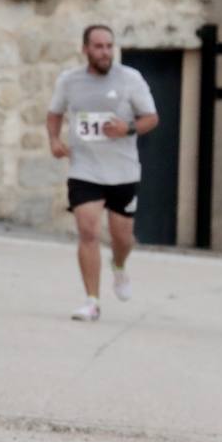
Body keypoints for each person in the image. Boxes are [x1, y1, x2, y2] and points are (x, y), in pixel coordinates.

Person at [45, 24, 159, 321]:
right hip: (85, 169)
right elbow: (54, 113)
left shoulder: (130, 79)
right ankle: (92, 301)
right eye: (98, 47)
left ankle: (119, 266)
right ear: (85, 49)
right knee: (88, 231)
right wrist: (54, 140)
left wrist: (127, 128)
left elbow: (151, 118)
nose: (105, 52)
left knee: (123, 239)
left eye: (109, 46)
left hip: (123, 171)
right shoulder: (69, 81)